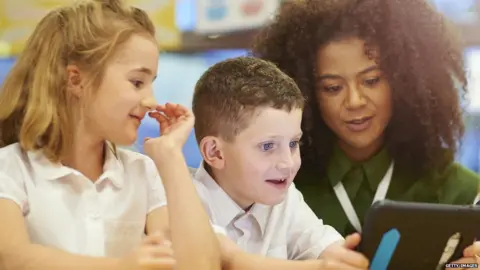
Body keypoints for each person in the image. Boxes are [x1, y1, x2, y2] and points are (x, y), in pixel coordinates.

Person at [0, 0, 222, 269]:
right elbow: (10, 256)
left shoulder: (145, 172)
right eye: (137, 82)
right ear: (75, 80)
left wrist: (171, 156)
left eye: (151, 83)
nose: (151, 101)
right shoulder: (10, 168)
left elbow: (201, 265)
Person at [252, 0, 480, 237]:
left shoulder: (458, 192)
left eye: (371, 81)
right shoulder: (277, 186)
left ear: (405, 81)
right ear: (305, 93)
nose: (354, 101)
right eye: (332, 87)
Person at [191, 56, 369, 270]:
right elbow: (228, 263)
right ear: (215, 153)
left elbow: (324, 246)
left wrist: (346, 258)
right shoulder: (183, 201)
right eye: (267, 146)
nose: (288, 163)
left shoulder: (285, 200)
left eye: (294, 143)